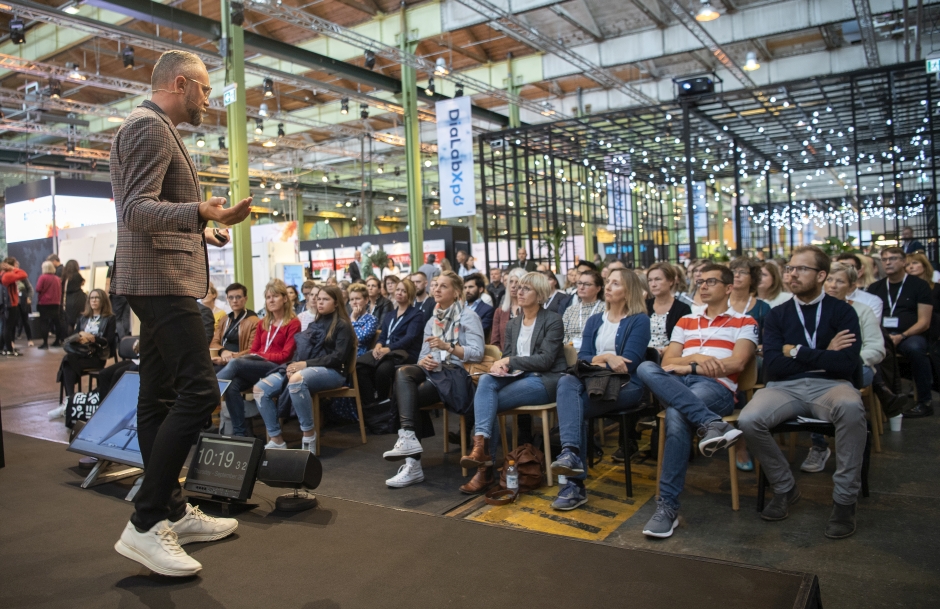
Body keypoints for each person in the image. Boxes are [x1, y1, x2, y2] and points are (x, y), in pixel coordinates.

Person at [108, 49, 254, 577]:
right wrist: (198, 210)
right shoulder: (148, 128)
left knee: (159, 395)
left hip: (158, 277)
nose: (210, 101)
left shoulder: (154, 127)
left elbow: (146, 208)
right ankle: (146, 521)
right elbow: (135, 209)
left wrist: (202, 228)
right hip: (160, 282)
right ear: (180, 83)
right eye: (206, 90)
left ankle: (170, 509)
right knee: (200, 392)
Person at [738, 246, 866, 539]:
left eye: (801, 269)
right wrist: (823, 353)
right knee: (749, 419)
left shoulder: (843, 312)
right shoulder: (777, 314)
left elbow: (846, 363)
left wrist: (796, 351)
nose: (792, 274)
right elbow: (773, 364)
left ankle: (845, 500)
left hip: (832, 385)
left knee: (851, 408)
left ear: (821, 275)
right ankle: (785, 487)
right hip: (785, 388)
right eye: (790, 268)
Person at [637, 264, 758, 538]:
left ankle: (667, 507)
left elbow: (736, 362)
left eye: (710, 282)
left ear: (728, 288)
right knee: (646, 368)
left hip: (716, 388)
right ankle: (710, 423)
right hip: (679, 383)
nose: (702, 286)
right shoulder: (686, 321)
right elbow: (667, 362)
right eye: (700, 282)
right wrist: (702, 360)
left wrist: (690, 365)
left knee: (678, 414)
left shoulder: (745, 322)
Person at [549, 268, 651, 510]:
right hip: (592, 382)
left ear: (628, 291)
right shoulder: (595, 320)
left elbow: (629, 362)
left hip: (627, 386)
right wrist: (606, 356)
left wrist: (598, 360)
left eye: (615, 284)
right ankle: (571, 454)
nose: (608, 287)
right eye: (608, 282)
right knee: (566, 381)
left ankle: (574, 485)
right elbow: (583, 358)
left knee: (573, 408)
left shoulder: (639, 320)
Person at [460, 272, 566, 493]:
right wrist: (501, 365)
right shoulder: (513, 324)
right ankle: (481, 451)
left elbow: (545, 360)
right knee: (487, 379)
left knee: (489, 403)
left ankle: (483, 467)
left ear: (540, 295)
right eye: (519, 287)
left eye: (526, 288)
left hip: (544, 380)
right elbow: (508, 356)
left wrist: (509, 360)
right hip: (518, 377)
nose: (519, 291)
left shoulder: (553, 320)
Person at [383, 271, 484, 488]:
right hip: (435, 370)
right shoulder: (432, 320)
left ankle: (413, 464)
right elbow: (421, 355)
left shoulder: (468, 316)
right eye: (435, 285)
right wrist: (425, 361)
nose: (436, 289)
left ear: (456, 292)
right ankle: (409, 439)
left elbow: (477, 352)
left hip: (457, 374)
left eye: (443, 286)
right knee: (403, 372)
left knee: (409, 397)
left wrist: (448, 347)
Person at [801, 262, 886, 474]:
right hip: (821, 369)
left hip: (857, 366)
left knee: (836, 383)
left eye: (839, 281)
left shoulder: (862, 311)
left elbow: (876, 349)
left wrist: (846, 360)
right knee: (813, 382)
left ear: (851, 286)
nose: (832, 285)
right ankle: (819, 445)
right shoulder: (812, 310)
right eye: (829, 280)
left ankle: (848, 449)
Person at [254, 286, 354, 452]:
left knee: (297, 380)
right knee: (260, 389)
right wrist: (293, 365)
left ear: (336, 303)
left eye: (325, 299)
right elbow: (302, 351)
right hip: (307, 368)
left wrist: (304, 365)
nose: (320, 302)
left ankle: (308, 435)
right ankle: (276, 439)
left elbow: (338, 357)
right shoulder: (315, 323)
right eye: (319, 299)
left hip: (334, 372)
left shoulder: (342, 325)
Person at [217, 279, 300, 437]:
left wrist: (259, 355)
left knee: (235, 363)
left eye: (275, 296)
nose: (271, 300)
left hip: (277, 368)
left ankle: (210, 391)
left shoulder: (293, 323)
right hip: (258, 366)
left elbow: (285, 355)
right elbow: (253, 350)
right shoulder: (263, 323)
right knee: (232, 385)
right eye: (268, 297)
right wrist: (256, 355)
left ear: (284, 299)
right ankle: (241, 434)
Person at [867, 247, 934, 417]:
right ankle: (885, 400)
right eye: (884, 259)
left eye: (893, 258)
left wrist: (902, 336)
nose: (888, 262)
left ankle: (924, 402)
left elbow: (924, 322)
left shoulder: (919, 285)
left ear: (904, 262)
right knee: (872, 351)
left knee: (916, 349)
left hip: (910, 334)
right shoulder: (876, 287)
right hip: (881, 334)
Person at [356, 278, 425, 406]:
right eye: (398, 290)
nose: (399, 293)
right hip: (387, 352)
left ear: (410, 294)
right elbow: (383, 335)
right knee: (360, 367)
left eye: (403, 291)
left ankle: (383, 402)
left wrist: (388, 349)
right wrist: (378, 346)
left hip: (405, 353)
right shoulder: (391, 314)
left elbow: (409, 338)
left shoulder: (416, 314)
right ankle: (370, 404)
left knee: (382, 370)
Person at [55, 289, 117, 403]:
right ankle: (72, 400)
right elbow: (74, 335)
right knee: (68, 360)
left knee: (67, 362)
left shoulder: (109, 318)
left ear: (103, 300)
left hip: (96, 355)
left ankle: (70, 400)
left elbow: (109, 340)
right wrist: (80, 336)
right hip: (81, 353)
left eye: (97, 298)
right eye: (91, 298)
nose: (93, 300)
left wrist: (93, 338)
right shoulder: (83, 318)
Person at [210, 283, 259, 370]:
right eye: (231, 297)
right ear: (227, 299)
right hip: (221, 358)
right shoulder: (225, 319)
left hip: (240, 362)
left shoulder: (254, 321)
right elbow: (214, 343)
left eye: (238, 297)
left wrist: (230, 357)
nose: (234, 301)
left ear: (245, 298)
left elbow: (252, 350)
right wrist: (223, 351)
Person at [646, 262, 692, 354]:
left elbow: (686, 339)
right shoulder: (644, 305)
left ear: (671, 281)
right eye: (650, 280)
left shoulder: (682, 309)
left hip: (670, 356)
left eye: (658, 279)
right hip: (644, 355)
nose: (653, 284)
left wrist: (668, 349)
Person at [729, 257, 771, 339]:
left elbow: (768, 341)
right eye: (733, 271)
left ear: (752, 279)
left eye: (743, 272)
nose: (737, 275)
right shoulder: (718, 303)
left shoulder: (763, 308)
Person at [561, 269, 605, 348]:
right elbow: (562, 334)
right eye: (579, 283)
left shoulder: (605, 309)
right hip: (570, 353)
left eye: (587, 284)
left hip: (594, 353)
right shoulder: (570, 310)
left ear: (598, 288)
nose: (581, 287)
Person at [835, 254, 883, 322]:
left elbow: (870, 327)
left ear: (859, 273)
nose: (843, 273)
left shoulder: (872, 301)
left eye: (849, 268)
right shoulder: (826, 297)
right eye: (839, 269)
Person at [491, 268, 526, 350]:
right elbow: (495, 342)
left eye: (517, 282)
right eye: (511, 281)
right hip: (503, 357)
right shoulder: (500, 312)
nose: (513, 286)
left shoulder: (529, 310)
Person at [1, 258, 28, 356]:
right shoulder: (7, 275)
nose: (17, 266)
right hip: (10, 304)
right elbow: (23, 274)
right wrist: (13, 268)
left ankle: (7, 348)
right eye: (15, 264)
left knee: (7, 327)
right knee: (8, 327)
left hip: (9, 304)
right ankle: (9, 349)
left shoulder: (4, 274)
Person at [36, 261, 64, 349]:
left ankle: (45, 343)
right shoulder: (57, 279)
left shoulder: (42, 277)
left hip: (44, 303)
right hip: (56, 303)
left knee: (44, 322)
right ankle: (58, 340)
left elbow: (38, 288)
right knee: (57, 322)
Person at [347, 283, 378, 355]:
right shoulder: (345, 319)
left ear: (366, 300)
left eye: (357, 299)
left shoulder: (372, 319)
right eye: (351, 299)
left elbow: (360, 338)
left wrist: (353, 319)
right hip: (344, 355)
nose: (354, 302)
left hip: (359, 356)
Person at [463, 273, 495, 338]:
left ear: (480, 289)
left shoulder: (488, 310)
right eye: (465, 288)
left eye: (471, 287)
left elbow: (480, 331)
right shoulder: (459, 307)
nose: (467, 291)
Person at [60, 259, 87, 336]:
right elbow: (83, 282)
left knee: (70, 322)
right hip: (78, 299)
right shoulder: (77, 275)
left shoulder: (64, 276)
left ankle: (70, 339)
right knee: (80, 320)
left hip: (68, 300)